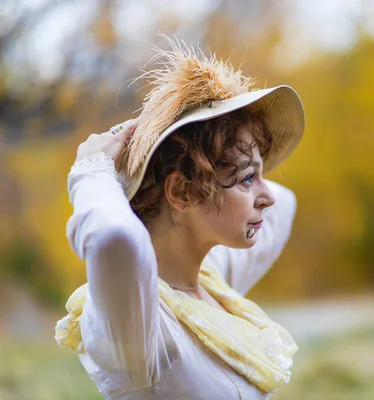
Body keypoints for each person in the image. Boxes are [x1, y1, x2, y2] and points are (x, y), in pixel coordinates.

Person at [54, 37, 304, 399]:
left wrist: (180, 128)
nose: (266, 197)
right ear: (182, 193)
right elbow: (115, 239)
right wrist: (91, 170)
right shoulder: (141, 326)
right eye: (249, 179)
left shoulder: (213, 280)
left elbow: (285, 204)